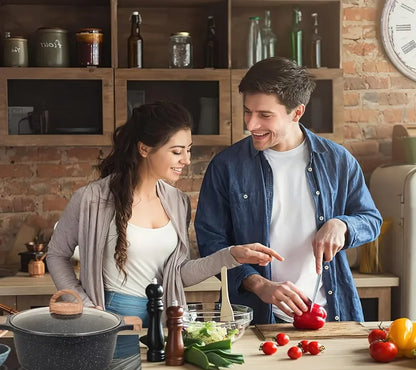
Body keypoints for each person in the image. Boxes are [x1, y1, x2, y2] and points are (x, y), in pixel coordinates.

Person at [47, 101, 282, 335]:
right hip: (112, 321)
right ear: (144, 149)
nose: (186, 160)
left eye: (188, 150)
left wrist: (230, 256)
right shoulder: (92, 199)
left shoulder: (177, 202)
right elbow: (56, 254)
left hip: (165, 321)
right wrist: (87, 307)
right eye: (177, 151)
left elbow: (177, 274)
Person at [194, 57, 382, 325]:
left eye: (265, 116)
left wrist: (342, 225)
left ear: (297, 112)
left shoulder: (337, 160)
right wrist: (259, 284)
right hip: (258, 320)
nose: (250, 125)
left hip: (330, 315)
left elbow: (371, 219)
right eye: (248, 111)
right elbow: (211, 243)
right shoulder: (226, 167)